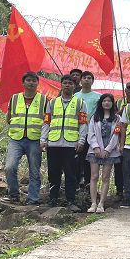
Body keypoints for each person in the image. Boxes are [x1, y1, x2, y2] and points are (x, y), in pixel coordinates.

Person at [40, 74, 88, 211]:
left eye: (70, 83)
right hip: (54, 143)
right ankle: (53, 198)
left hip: (70, 144)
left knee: (70, 174)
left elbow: (83, 124)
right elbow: (47, 122)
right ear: (61, 85)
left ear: (75, 86)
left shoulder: (80, 103)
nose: (67, 85)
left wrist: (81, 141)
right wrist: (43, 140)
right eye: (65, 83)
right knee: (53, 173)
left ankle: (70, 200)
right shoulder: (52, 103)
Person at [4, 72, 46, 205]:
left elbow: (47, 120)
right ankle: (14, 195)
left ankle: (33, 199)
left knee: (34, 170)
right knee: (9, 167)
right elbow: (9, 117)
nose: (31, 83)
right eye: (28, 80)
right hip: (16, 138)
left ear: (37, 83)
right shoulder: (15, 98)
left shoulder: (44, 100)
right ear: (23, 83)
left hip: (35, 139)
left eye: (34, 81)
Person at [86, 94, 121, 213]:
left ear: (112, 103)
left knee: (106, 177)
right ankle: (93, 203)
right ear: (101, 103)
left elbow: (116, 135)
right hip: (95, 151)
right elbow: (90, 134)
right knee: (94, 176)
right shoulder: (94, 117)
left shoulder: (117, 119)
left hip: (110, 152)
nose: (107, 103)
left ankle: (101, 204)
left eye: (109, 101)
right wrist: (95, 147)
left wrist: (108, 149)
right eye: (104, 101)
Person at [74, 71, 101, 189]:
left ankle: (88, 184)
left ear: (92, 81)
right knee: (76, 158)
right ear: (80, 80)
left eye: (89, 78)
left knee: (88, 158)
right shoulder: (75, 97)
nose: (86, 80)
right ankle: (75, 183)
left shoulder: (98, 97)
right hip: (76, 131)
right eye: (84, 78)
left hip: (92, 132)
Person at [114, 81, 130, 200]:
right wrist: (120, 111)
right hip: (119, 139)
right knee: (119, 167)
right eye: (128, 88)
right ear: (125, 90)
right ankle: (119, 191)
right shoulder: (118, 102)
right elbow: (112, 118)